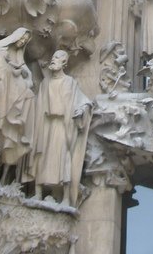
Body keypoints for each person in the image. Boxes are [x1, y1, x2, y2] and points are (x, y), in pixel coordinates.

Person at [31, 50, 92, 206]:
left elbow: (84, 102)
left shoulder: (70, 82)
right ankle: (38, 193)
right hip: (46, 125)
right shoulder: (45, 83)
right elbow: (38, 105)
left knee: (63, 158)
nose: (53, 60)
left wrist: (81, 110)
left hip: (63, 126)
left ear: (64, 63)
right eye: (53, 57)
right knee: (41, 156)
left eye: (57, 58)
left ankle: (65, 198)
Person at [0, 28, 35, 169]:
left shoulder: (17, 54)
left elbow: (24, 70)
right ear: (15, 37)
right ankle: (4, 118)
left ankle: (16, 125)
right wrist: (11, 71)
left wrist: (25, 75)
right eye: (21, 38)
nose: (22, 42)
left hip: (11, 85)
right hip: (0, 84)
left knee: (29, 95)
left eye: (25, 41)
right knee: (22, 90)